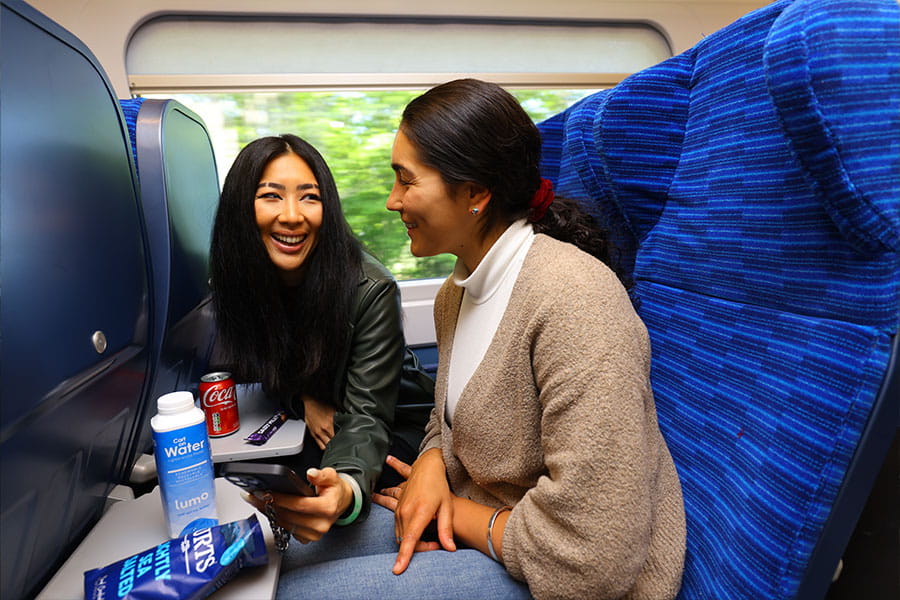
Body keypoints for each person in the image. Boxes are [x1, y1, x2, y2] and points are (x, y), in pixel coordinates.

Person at [273, 79, 686, 600]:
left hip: (572, 576)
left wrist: (462, 514)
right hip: (497, 522)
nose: (390, 201)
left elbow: (596, 558)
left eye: (406, 181)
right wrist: (429, 462)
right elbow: (451, 417)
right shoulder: (456, 294)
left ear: (475, 194)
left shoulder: (575, 300)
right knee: (280, 557)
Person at [210, 133, 433, 545]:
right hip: (328, 412)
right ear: (242, 207)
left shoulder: (369, 288)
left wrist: (344, 489)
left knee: (312, 483)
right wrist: (304, 400)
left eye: (309, 197)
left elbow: (368, 414)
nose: (293, 215)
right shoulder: (245, 279)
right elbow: (270, 364)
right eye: (272, 196)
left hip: (396, 421)